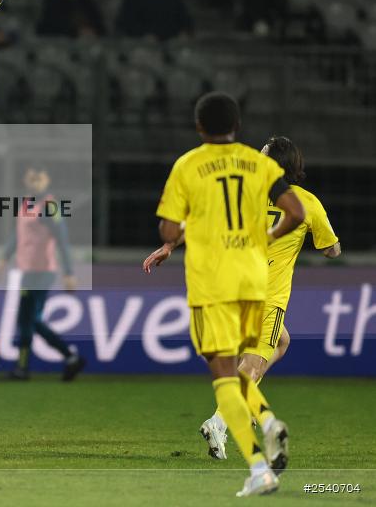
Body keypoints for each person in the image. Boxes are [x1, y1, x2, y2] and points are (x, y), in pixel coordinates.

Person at [143, 136, 340, 460]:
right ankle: (220, 422)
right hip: (266, 296)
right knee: (255, 360)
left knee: (280, 343)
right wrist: (332, 246)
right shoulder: (307, 204)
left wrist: (168, 247)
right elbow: (330, 249)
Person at [153, 91, 305, 497]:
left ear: (200, 127)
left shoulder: (189, 165)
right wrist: (265, 237)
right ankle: (268, 427)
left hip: (213, 281)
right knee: (255, 358)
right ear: (236, 126)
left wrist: (170, 243)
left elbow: (171, 227)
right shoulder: (258, 165)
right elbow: (296, 213)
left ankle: (261, 455)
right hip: (255, 280)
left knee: (225, 373)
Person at [0, 164, 84, 381]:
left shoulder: (49, 206)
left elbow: (62, 241)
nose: (35, 182)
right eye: (31, 178)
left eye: (39, 178)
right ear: (26, 180)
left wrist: (69, 273)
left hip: (44, 271)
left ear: (47, 181)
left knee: (31, 318)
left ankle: (69, 356)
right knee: (25, 319)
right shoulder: (26, 202)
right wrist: (5, 258)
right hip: (27, 271)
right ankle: (23, 368)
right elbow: (18, 235)